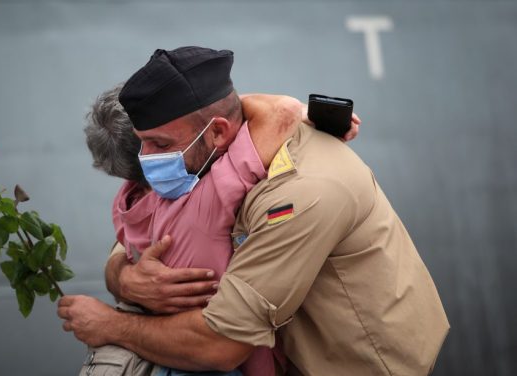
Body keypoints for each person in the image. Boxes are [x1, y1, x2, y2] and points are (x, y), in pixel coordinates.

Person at [59, 46, 449, 375]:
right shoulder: (203, 154)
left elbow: (220, 344)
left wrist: (110, 325)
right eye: (144, 145)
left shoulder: (303, 190)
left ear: (217, 132)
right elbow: (146, 219)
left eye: (158, 145)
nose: (148, 162)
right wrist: (124, 276)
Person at [83, 82, 359, 375]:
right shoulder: (206, 202)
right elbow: (277, 114)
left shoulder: (125, 206)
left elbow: (122, 246)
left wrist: (120, 276)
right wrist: (300, 113)